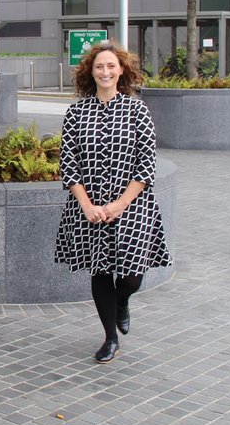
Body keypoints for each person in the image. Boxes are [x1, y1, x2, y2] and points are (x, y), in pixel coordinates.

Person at [54, 40, 170, 364]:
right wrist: (87, 205)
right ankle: (110, 338)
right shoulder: (76, 112)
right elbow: (69, 163)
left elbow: (146, 165)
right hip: (90, 207)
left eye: (110, 66)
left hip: (132, 204)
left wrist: (120, 204)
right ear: (90, 72)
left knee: (131, 275)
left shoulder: (137, 111)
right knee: (101, 271)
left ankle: (123, 301)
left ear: (121, 70)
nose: (105, 71)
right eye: (99, 66)